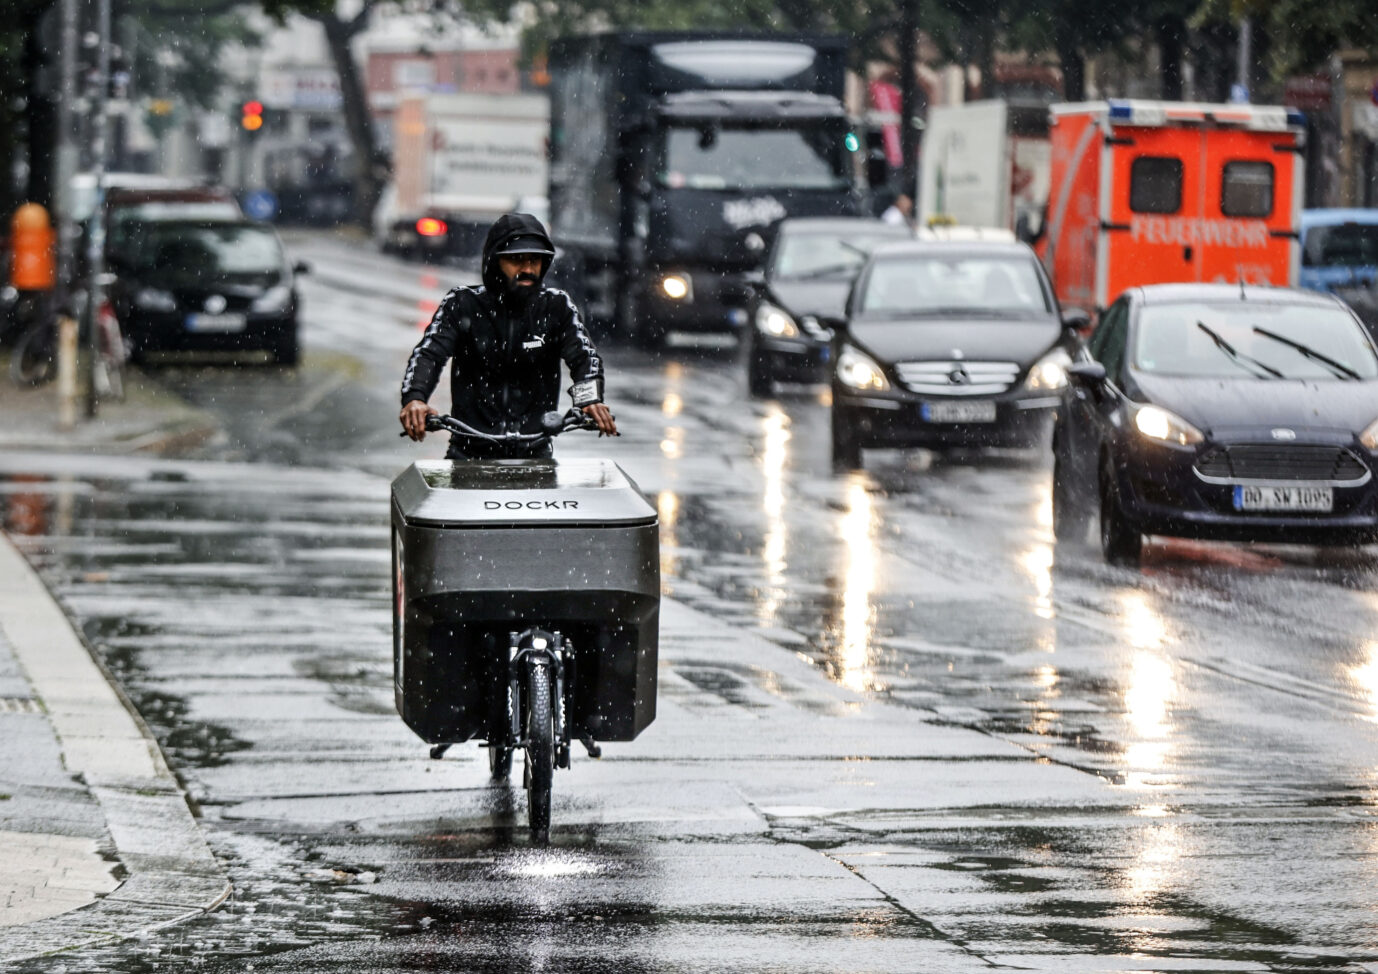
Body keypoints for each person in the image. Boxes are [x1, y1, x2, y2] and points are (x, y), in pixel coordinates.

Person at [399, 213, 617, 459]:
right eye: (516, 260)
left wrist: (588, 400)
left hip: (535, 453)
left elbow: (584, 357)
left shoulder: (557, 306)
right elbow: (429, 354)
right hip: (468, 452)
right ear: (494, 262)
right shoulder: (461, 304)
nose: (527, 269)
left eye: (535, 260)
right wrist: (415, 398)